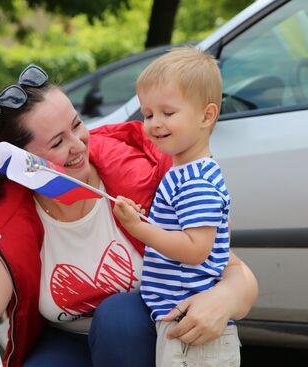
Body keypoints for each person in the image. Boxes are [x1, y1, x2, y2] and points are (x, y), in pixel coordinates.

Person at [0, 63, 258, 367]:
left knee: (119, 317)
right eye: (57, 142)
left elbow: (236, 273)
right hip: (67, 343)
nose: (79, 145)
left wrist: (223, 300)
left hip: (144, 340)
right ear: (22, 163)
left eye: (77, 125)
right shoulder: (12, 216)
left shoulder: (141, 179)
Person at [112, 47, 241, 366]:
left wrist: (139, 228)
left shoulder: (196, 180)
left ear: (207, 115)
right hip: (182, 322)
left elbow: (197, 249)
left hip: (192, 329)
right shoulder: (183, 172)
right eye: (148, 114)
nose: (155, 123)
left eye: (168, 113)